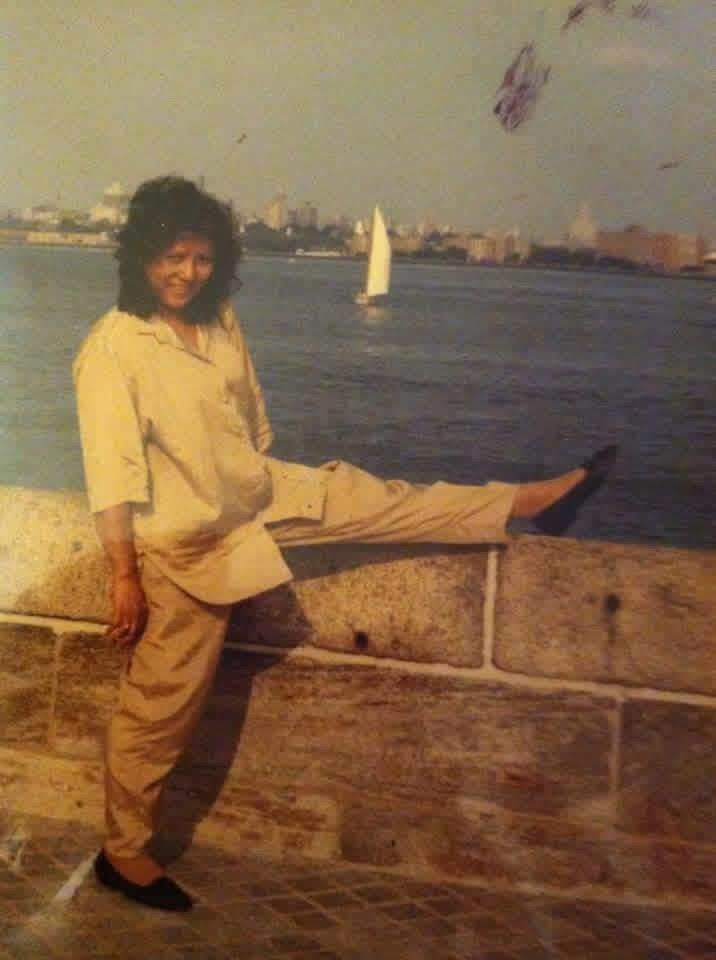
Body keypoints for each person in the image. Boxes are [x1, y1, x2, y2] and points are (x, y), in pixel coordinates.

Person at [73, 175, 618, 912]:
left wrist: (254, 482)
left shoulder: (220, 320)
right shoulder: (112, 349)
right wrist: (124, 575)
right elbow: (111, 475)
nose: (187, 273)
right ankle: (122, 853)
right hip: (184, 545)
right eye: (173, 257)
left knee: (382, 498)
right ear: (142, 256)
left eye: (201, 258)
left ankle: (529, 501)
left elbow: (252, 425)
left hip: (258, 499)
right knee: (162, 707)